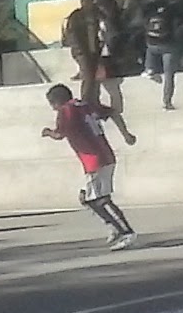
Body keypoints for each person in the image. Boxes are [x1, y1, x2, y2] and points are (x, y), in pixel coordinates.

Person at [41, 83, 138, 250]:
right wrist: (126, 134)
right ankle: (112, 225)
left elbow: (59, 134)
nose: (53, 109)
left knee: (99, 199)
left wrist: (48, 132)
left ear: (57, 102)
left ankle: (126, 232)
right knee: (87, 197)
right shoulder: (85, 105)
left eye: (52, 104)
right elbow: (113, 112)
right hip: (104, 155)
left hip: (94, 160)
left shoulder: (66, 110)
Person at [141, 0, 180, 110]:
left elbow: (144, 25)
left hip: (152, 44)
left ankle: (150, 70)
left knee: (149, 50)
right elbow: (176, 25)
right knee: (169, 74)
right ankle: (167, 102)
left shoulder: (148, 10)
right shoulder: (171, 9)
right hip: (167, 45)